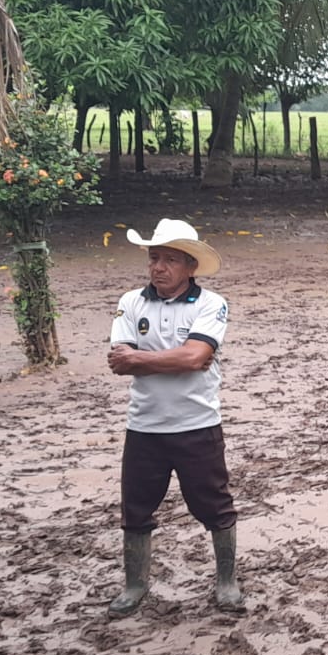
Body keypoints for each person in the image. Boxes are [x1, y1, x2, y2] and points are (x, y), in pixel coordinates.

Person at [107, 218, 245, 616]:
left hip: (196, 425)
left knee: (214, 504)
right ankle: (135, 586)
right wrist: (176, 361)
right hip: (144, 426)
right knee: (135, 508)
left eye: (169, 259)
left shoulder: (211, 304)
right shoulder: (130, 301)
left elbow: (196, 356)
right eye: (154, 258)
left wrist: (145, 359)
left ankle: (226, 581)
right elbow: (120, 362)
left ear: (190, 266)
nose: (158, 268)